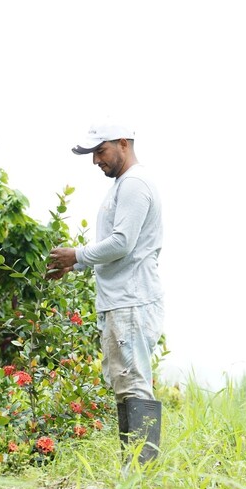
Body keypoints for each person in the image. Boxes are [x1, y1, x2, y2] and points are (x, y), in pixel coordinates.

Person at [47, 123, 164, 466]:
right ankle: (133, 470)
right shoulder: (123, 185)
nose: (96, 160)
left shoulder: (134, 184)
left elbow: (122, 243)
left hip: (131, 300)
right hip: (123, 300)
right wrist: (76, 264)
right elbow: (121, 247)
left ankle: (141, 472)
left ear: (123, 144)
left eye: (101, 151)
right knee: (125, 385)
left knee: (134, 385)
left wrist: (77, 254)